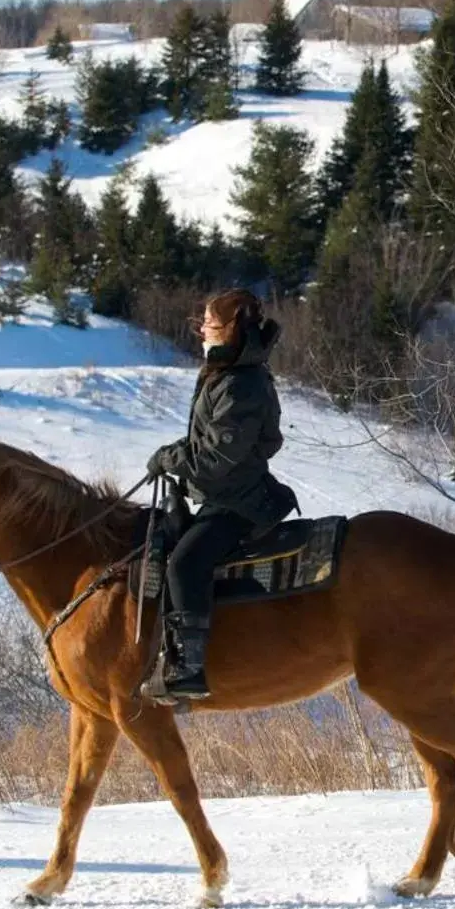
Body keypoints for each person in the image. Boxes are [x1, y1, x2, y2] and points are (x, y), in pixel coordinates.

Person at [145, 289, 296, 699]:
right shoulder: (228, 373)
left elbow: (215, 460)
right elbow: (207, 440)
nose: (201, 333)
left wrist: (172, 459)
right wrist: (173, 457)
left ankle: (189, 668)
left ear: (231, 330)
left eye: (208, 325)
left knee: (184, 564)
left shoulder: (242, 384)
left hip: (239, 502)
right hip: (221, 495)